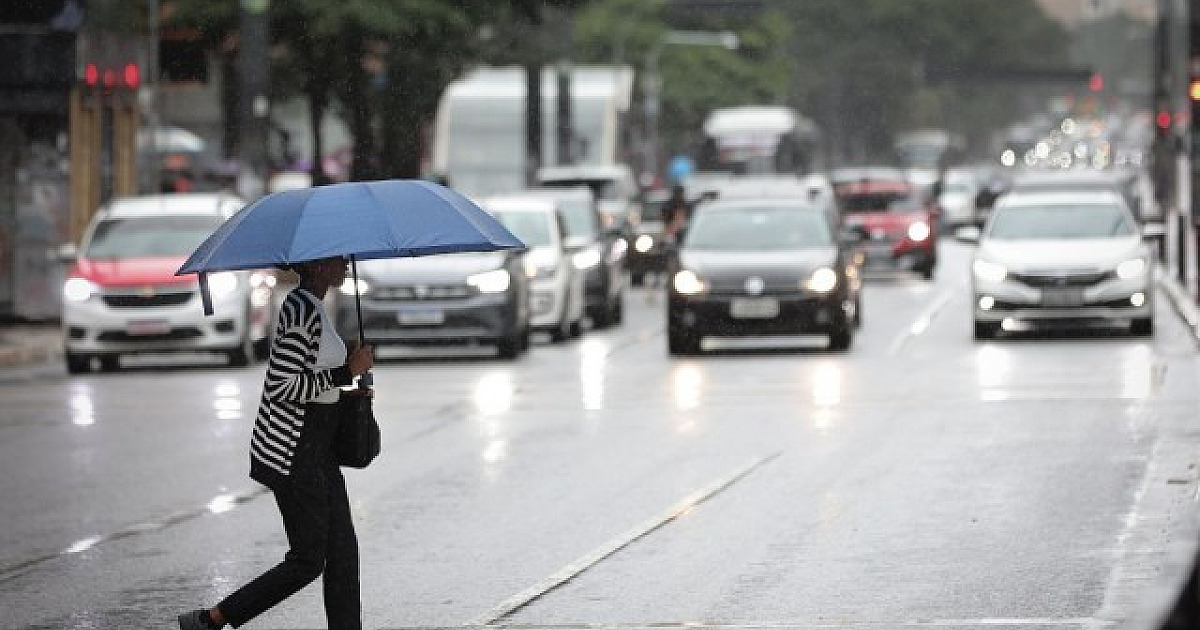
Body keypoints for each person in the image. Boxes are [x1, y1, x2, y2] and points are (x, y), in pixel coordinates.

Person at [179, 256, 374, 630]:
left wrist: (348, 372)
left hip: (319, 449)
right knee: (308, 560)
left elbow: (314, 374)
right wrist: (348, 371)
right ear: (317, 266)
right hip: (294, 450)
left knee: (343, 554)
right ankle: (212, 619)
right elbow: (283, 386)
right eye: (336, 257)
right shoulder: (301, 309)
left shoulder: (314, 306)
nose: (345, 263)